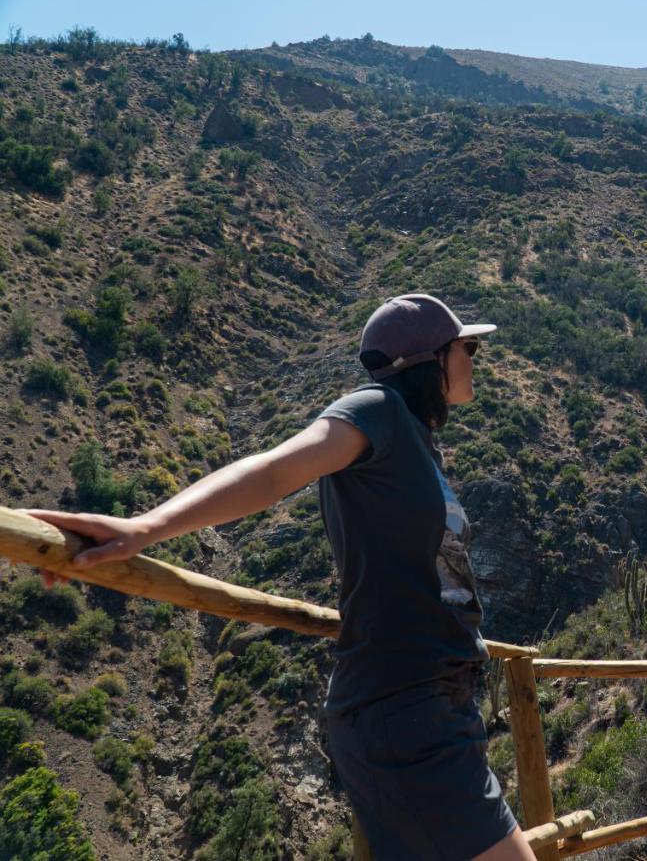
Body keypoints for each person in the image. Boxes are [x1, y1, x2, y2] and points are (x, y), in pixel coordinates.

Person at [24, 293, 537, 861]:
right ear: (429, 360)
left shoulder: (418, 443)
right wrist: (148, 526)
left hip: (438, 704)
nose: (477, 358)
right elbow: (275, 470)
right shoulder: (378, 409)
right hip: (403, 707)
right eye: (468, 347)